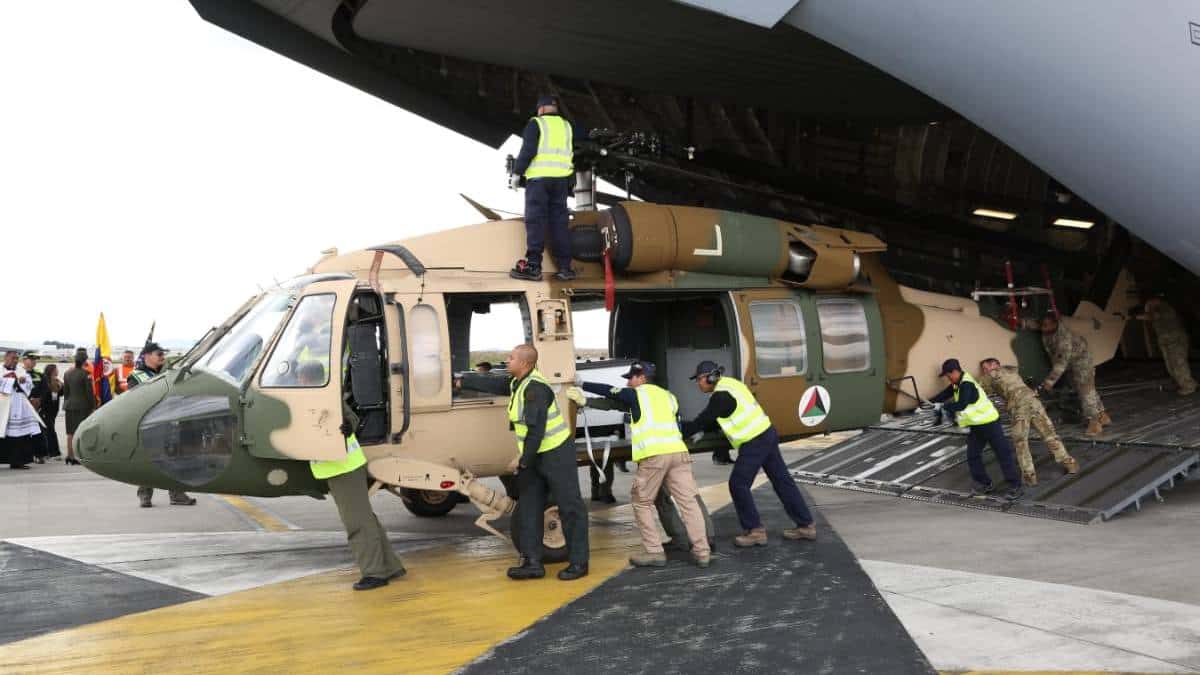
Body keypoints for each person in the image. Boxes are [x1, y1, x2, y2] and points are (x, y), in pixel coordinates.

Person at [570, 361, 712, 568]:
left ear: (642, 377)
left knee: (641, 502)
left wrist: (582, 384)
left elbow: (610, 391)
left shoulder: (637, 394)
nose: (628, 382)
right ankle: (702, 552)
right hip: (678, 453)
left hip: (654, 456)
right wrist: (587, 402)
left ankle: (654, 552)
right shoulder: (669, 397)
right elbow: (615, 404)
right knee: (688, 503)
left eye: (631, 377)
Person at [681, 361, 817, 547]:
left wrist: (678, 432)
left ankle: (755, 531)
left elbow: (702, 420)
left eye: (699, 379)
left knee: (738, 484)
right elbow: (720, 416)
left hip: (755, 440)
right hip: (766, 432)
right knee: (782, 480)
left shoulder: (720, 396)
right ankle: (806, 525)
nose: (698, 384)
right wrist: (704, 429)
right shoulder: (732, 384)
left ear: (710, 377)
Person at [299, 362, 407, 590]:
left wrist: (348, 425)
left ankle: (375, 574)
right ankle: (390, 566)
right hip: (338, 467)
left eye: (301, 378)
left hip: (345, 467)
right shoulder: (314, 397)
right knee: (365, 518)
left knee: (357, 522)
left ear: (306, 379)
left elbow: (351, 420)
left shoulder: (322, 397)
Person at [930, 358, 1024, 500]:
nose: (948, 378)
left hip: (990, 424)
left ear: (955, 372)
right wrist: (927, 402)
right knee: (973, 455)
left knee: (1003, 454)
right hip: (977, 427)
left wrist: (944, 407)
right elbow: (944, 394)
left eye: (948, 375)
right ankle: (985, 484)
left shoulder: (967, 385)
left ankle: (1015, 486)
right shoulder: (957, 383)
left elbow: (962, 404)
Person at [509, 95, 579, 283]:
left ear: (540, 109)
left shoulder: (536, 123)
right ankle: (565, 268)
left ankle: (534, 266)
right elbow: (572, 153)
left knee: (536, 221)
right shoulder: (566, 126)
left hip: (539, 181)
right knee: (559, 223)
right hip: (561, 181)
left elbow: (528, 150)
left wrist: (517, 173)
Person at [978, 358, 1078, 486]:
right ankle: (1070, 464)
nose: (984, 371)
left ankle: (1029, 476)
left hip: (1019, 408)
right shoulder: (1012, 370)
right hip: (1034, 402)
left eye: (985, 368)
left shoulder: (991, 375)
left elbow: (978, 389)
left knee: (1021, 442)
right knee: (1049, 435)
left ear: (994, 365)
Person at [130, 342, 196, 507]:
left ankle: (177, 494)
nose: (162, 357)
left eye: (163, 354)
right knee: (147, 461)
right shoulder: (136, 376)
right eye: (159, 354)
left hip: (170, 422)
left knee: (175, 459)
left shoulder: (168, 373)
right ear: (147, 356)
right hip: (149, 424)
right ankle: (145, 495)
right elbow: (134, 401)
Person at [1026, 312, 1110, 436]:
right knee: (1085, 390)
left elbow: (1060, 365)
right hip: (1071, 364)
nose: (1043, 328)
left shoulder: (1064, 340)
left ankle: (1094, 423)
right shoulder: (1048, 327)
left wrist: (1049, 382)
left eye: (1046, 326)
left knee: (1086, 392)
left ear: (1054, 324)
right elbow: (1035, 324)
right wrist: (1022, 323)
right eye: (1042, 325)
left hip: (1082, 363)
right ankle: (1102, 416)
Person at [1137, 296, 1196, 396]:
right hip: (1167, 341)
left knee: (1178, 364)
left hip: (1175, 340)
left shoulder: (1164, 307)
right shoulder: (1157, 309)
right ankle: (1187, 383)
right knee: (1171, 366)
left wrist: (1140, 316)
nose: (1148, 306)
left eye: (1149, 303)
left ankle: (1189, 386)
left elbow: (1154, 316)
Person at [1, 350, 39, 470]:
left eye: (17, 358)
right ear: (6, 358)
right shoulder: (0, 370)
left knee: (20, 434)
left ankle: (18, 461)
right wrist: (12, 380)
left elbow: (29, 384)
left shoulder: (21, 370)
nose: (15, 361)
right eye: (13, 358)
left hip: (19, 405)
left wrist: (23, 381)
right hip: (3, 405)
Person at [61, 349, 95, 465]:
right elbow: (89, 393)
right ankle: (78, 456)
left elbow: (66, 392)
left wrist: (67, 403)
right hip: (82, 406)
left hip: (69, 405)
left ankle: (70, 456)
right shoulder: (86, 374)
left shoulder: (67, 373)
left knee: (70, 432)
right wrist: (93, 406)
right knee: (81, 431)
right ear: (85, 361)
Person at [30, 364, 63, 461]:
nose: (57, 371)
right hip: (45, 409)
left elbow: (60, 394)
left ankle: (48, 452)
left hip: (53, 410)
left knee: (48, 430)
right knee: (50, 430)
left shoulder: (57, 381)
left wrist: (61, 387)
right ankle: (54, 453)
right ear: (51, 371)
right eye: (56, 369)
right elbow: (37, 392)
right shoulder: (44, 381)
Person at [22, 352, 48, 463]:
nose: (33, 362)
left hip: (36, 408)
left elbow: (45, 390)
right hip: (22, 408)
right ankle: (24, 456)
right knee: (23, 433)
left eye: (35, 360)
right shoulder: (18, 373)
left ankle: (39, 455)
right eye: (31, 359)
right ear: (24, 360)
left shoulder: (39, 374)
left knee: (38, 431)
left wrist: (39, 400)